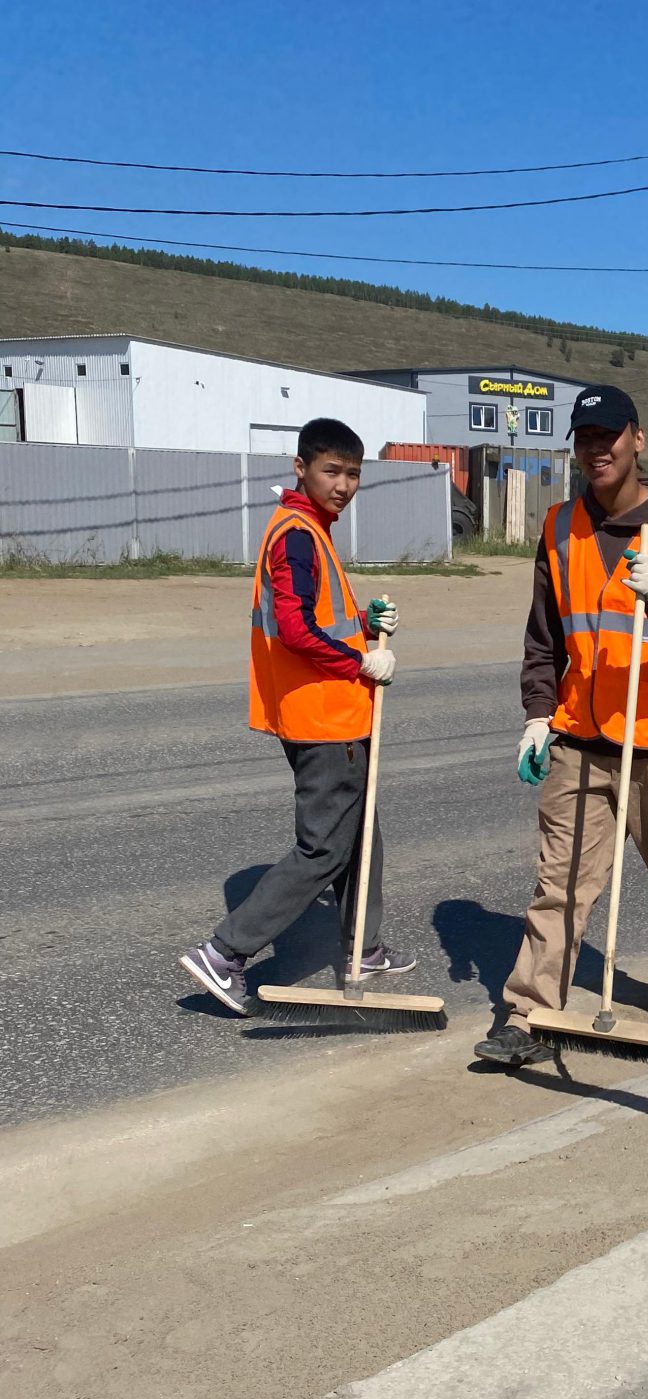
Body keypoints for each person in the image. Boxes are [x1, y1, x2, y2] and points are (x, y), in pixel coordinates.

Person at [476, 384, 648, 1069]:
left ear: (637, 440)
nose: (597, 450)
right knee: (557, 883)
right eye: (584, 440)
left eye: (609, 437)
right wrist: (535, 713)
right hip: (582, 741)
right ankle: (527, 1012)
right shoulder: (559, 528)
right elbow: (543, 639)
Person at [178, 416, 414, 1013]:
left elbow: (321, 616)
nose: (343, 484)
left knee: (362, 838)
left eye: (354, 474)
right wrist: (361, 662)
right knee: (325, 848)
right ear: (301, 468)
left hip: (334, 712)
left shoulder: (311, 528)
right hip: (323, 717)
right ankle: (225, 952)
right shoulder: (298, 533)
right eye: (331, 470)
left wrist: (365, 625)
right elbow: (296, 629)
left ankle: (364, 946)